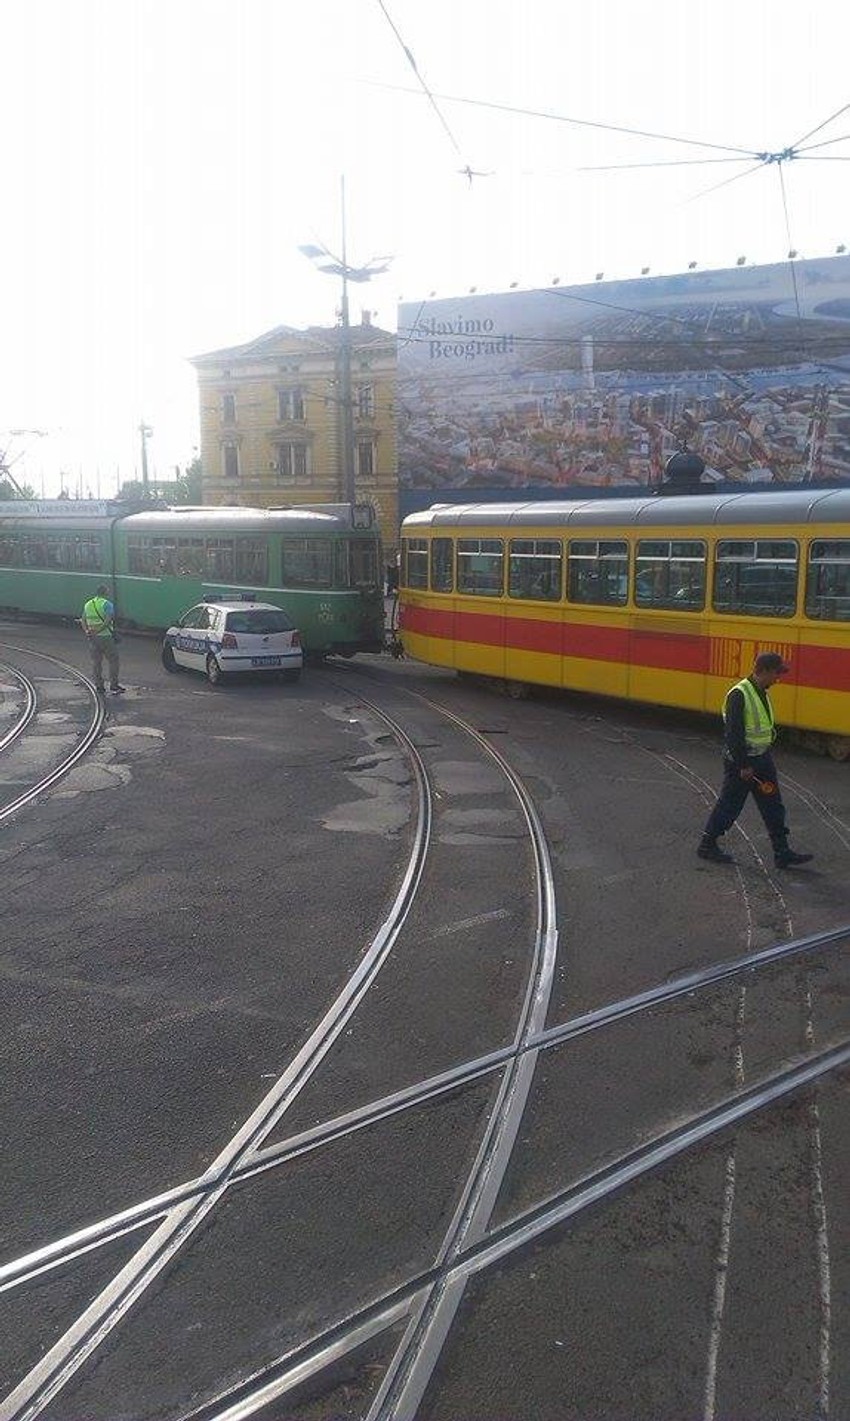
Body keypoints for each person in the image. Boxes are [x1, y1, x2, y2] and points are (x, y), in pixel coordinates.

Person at [698, 651, 813, 869]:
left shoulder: (762, 692)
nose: (778, 679)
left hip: (762, 760)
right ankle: (707, 844)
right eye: (776, 674)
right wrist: (743, 765)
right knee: (730, 805)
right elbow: (733, 734)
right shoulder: (739, 694)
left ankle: (782, 852)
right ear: (765, 671)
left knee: (773, 806)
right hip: (743, 765)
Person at [81, 583, 124, 694]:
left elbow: (83, 620)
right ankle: (114, 685)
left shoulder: (88, 604)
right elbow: (108, 620)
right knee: (114, 660)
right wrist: (99, 630)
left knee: (96, 662)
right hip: (105, 637)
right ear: (105, 593)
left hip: (92, 638)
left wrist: (87, 631)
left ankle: (99, 686)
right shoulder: (107, 604)